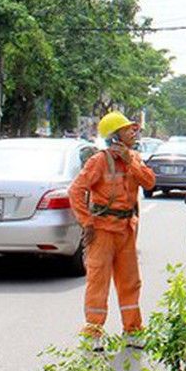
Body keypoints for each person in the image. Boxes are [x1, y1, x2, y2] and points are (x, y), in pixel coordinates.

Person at [69, 111, 156, 346]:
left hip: (126, 229)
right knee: (99, 282)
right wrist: (87, 222)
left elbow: (149, 183)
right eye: (127, 129)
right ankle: (93, 332)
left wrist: (130, 161)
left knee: (130, 282)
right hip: (103, 230)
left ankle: (133, 331)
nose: (132, 132)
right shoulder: (98, 161)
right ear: (116, 135)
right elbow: (76, 191)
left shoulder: (134, 158)